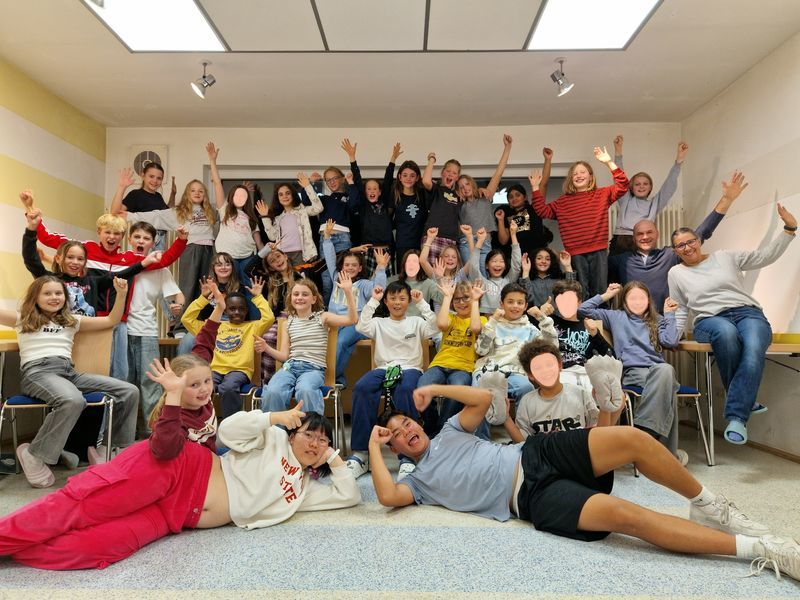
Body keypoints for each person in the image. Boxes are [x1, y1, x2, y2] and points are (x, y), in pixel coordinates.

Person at [365, 384, 799, 583]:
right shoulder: (418, 483)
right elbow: (386, 495)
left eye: (407, 423)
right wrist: (371, 443)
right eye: (397, 434)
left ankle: (708, 503)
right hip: (531, 498)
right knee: (626, 516)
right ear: (395, 448)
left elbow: (484, 399)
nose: (406, 431)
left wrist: (435, 389)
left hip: (537, 453)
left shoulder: (449, 431)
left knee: (632, 439)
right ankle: (760, 549)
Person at [0, 401, 359, 570]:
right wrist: (273, 418)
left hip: (174, 518)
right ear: (293, 433)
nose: (315, 444)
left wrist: (331, 457)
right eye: (309, 435)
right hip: (181, 469)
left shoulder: (302, 489)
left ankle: (12, 549)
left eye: (323, 441)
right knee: (83, 506)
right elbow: (229, 431)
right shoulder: (273, 439)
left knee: (96, 549)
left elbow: (349, 495)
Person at [668, 202, 796, 445]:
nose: (687, 247)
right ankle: (744, 405)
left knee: (754, 347)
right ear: (676, 251)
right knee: (726, 333)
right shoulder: (676, 273)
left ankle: (737, 416)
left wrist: (789, 230)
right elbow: (680, 307)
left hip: (748, 314)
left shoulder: (725, 257)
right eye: (680, 245)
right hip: (709, 320)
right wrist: (674, 335)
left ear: (699, 240)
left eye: (690, 241)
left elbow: (764, 257)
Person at [0, 276, 138, 487]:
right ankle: (34, 455)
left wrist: (121, 295)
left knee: (129, 391)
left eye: (58, 293)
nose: (54, 297)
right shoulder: (22, 318)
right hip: (37, 373)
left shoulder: (72, 320)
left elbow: (112, 320)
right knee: (73, 400)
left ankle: (108, 449)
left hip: (68, 373)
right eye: (47, 293)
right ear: (35, 297)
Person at [579, 282, 684, 464]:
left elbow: (671, 341)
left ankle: (644, 434)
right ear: (625, 301)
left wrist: (669, 314)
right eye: (632, 298)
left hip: (658, 371)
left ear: (649, 300)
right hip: (633, 371)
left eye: (642, 298)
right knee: (668, 392)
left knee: (666, 371)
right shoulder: (616, 316)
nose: (637, 302)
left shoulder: (657, 319)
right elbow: (582, 310)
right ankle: (667, 454)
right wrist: (606, 295)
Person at [608, 171, 743, 310]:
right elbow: (597, 272)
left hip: (664, 318)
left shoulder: (669, 255)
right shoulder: (622, 260)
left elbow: (702, 233)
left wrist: (726, 200)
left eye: (649, 232)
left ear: (657, 234)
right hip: (631, 319)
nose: (645, 237)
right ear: (634, 238)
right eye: (640, 234)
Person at [345, 281, 439, 479]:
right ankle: (362, 454)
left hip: (410, 368)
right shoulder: (379, 323)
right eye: (393, 298)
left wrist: (421, 303)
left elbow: (436, 327)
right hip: (383, 368)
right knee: (362, 387)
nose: (397, 302)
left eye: (402, 298)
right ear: (386, 301)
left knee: (406, 389)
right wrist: (373, 300)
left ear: (408, 301)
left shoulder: (416, 321)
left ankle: (407, 457)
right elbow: (361, 326)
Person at [21, 202, 160, 316]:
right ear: (58, 258)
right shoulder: (52, 280)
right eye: (70, 257)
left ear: (85, 262)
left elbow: (119, 275)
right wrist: (31, 229)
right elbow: (31, 261)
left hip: (89, 330)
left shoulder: (91, 282)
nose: (75, 262)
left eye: (80, 259)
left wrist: (143, 263)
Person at [531, 147, 629, 298]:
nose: (578, 175)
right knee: (579, 292)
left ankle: (600, 314)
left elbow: (623, 185)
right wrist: (535, 188)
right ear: (571, 179)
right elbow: (541, 211)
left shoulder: (602, 194)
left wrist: (608, 162)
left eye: (582, 172)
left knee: (600, 292)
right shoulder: (562, 202)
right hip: (575, 253)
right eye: (574, 174)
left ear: (590, 176)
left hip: (598, 251)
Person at [260, 276, 357, 415]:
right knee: (273, 391)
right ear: (290, 298)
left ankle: (310, 427)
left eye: (305, 294)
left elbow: (352, 320)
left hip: (312, 369)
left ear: (314, 299)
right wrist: (266, 348)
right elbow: (284, 356)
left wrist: (348, 292)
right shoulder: (288, 323)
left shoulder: (323, 317)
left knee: (306, 390)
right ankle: (276, 428)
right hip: (289, 367)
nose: (300, 297)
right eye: (296, 294)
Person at [182, 276, 274, 419]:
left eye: (241, 309)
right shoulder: (213, 325)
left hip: (239, 371)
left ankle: (230, 424)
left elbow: (269, 318)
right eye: (232, 309)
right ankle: (202, 421)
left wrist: (257, 297)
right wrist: (203, 298)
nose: (237, 312)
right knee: (204, 387)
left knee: (228, 387)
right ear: (225, 311)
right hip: (215, 369)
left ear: (246, 311)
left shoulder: (253, 327)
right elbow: (187, 319)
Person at [123, 222, 185, 435]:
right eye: (137, 237)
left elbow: (177, 295)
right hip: (121, 329)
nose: (141, 241)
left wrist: (178, 306)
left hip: (147, 331)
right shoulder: (122, 262)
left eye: (146, 238)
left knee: (150, 382)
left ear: (153, 242)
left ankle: (153, 432)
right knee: (124, 383)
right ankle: (124, 433)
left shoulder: (160, 268)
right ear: (130, 239)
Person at [115, 177, 216, 307]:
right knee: (189, 285)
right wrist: (130, 215)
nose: (197, 193)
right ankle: (183, 317)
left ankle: (203, 317)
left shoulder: (211, 212)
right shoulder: (179, 211)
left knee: (206, 286)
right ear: (187, 193)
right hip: (191, 248)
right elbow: (157, 215)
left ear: (205, 194)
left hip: (208, 249)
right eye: (193, 190)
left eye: (201, 191)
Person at [472, 282, 558, 414]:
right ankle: (482, 428)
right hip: (487, 371)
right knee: (478, 393)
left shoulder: (530, 329)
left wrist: (542, 318)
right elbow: (480, 351)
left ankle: (521, 427)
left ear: (525, 306)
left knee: (526, 387)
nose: (515, 306)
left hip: (515, 374)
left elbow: (552, 348)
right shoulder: (492, 324)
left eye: (520, 303)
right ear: (501, 304)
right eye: (510, 302)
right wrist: (493, 321)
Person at [321, 219, 388, 386]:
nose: (350, 268)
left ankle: (330, 378)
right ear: (342, 267)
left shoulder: (363, 284)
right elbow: (330, 258)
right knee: (328, 344)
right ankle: (338, 378)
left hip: (356, 324)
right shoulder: (337, 278)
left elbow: (379, 289)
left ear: (360, 268)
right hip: (336, 323)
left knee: (342, 342)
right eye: (347, 265)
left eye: (354, 265)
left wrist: (381, 268)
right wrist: (327, 238)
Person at [417, 280, 486, 436]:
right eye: (457, 299)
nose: (461, 302)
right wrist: (447, 297)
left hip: (463, 368)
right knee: (422, 387)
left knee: (458, 388)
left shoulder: (482, 320)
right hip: (440, 364)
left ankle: (443, 430)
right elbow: (441, 324)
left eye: (466, 298)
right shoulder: (450, 317)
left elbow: (476, 328)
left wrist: (475, 301)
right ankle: (431, 427)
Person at [609, 135, 689, 255]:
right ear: (631, 187)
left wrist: (678, 161)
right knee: (614, 266)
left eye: (645, 184)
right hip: (622, 239)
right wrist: (618, 151)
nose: (641, 186)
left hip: (643, 239)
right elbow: (619, 178)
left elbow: (669, 186)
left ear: (650, 187)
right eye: (637, 184)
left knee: (644, 266)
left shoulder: (654, 204)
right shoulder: (625, 199)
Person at [206, 142, 262, 285]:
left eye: (243, 195)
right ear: (231, 197)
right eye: (237, 195)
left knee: (248, 287)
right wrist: (212, 161)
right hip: (227, 257)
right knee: (230, 286)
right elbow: (217, 183)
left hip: (248, 257)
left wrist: (266, 256)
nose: (240, 198)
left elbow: (258, 242)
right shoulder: (224, 209)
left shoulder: (251, 217)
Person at [457, 134, 513, 270]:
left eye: (467, 184)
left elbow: (498, 174)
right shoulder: (459, 203)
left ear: (472, 184)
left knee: (484, 275)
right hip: (467, 242)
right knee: (470, 274)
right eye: (461, 187)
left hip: (485, 242)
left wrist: (507, 147)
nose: (465, 188)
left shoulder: (485, 196)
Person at [343, 138, 395, 278]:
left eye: (375, 188)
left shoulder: (384, 203)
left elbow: (388, 180)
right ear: (365, 192)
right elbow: (358, 179)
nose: (372, 191)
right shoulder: (363, 205)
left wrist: (393, 159)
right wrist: (352, 157)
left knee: (386, 283)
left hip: (385, 250)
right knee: (367, 283)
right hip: (368, 250)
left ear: (379, 192)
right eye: (368, 189)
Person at [496, 147, 553, 258]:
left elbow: (543, 184)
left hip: (536, 256)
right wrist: (501, 220)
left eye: (518, 195)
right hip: (517, 258)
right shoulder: (508, 216)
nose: (514, 198)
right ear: (508, 202)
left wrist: (547, 160)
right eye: (510, 197)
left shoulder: (534, 208)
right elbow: (503, 241)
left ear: (525, 197)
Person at [256, 176, 323, 266]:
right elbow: (272, 237)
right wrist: (265, 217)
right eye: (281, 194)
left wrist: (308, 186)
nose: (285, 196)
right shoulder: (278, 218)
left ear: (293, 195)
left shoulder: (302, 211)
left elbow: (318, 208)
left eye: (287, 193)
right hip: (282, 255)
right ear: (278, 198)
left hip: (301, 254)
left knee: (300, 275)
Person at [110, 162, 173, 250]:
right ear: (143, 176)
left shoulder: (158, 197)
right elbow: (115, 213)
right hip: (143, 238)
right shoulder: (135, 194)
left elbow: (167, 214)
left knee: (157, 259)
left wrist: (173, 194)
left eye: (159, 178)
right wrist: (122, 186)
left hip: (160, 239)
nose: (155, 181)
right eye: (151, 176)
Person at [471, 224, 521, 315]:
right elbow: (473, 266)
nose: (498, 264)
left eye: (501, 261)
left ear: (505, 266)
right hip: (485, 317)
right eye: (494, 261)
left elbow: (516, 265)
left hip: (504, 317)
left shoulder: (509, 281)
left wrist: (513, 234)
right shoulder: (481, 282)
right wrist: (480, 241)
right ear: (487, 265)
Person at [421, 152, 462, 262]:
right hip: (433, 236)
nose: (450, 174)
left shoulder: (458, 196)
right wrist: (431, 159)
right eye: (448, 171)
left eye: (454, 173)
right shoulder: (436, 189)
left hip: (451, 239)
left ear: (457, 177)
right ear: (442, 173)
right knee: (430, 270)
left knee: (448, 272)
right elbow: (426, 181)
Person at [389, 156, 428, 270]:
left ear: (417, 178)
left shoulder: (423, 195)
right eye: (405, 175)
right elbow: (388, 219)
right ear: (400, 177)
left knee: (420, 274)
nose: (408, 178)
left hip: (421, 243)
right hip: (402, 244)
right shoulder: (395, 196)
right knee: (403, 274)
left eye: (412, 175)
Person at [387, 250, 440, 317]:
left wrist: (440, 278)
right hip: (397, 320)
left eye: (415, 261)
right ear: (404, 264)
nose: (411, 264)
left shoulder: (427, 283)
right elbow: (377, 291)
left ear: (420, 266)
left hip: (419, 321)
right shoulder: (393, 280)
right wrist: (381, 268)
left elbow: (440, 299)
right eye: (408, 261)